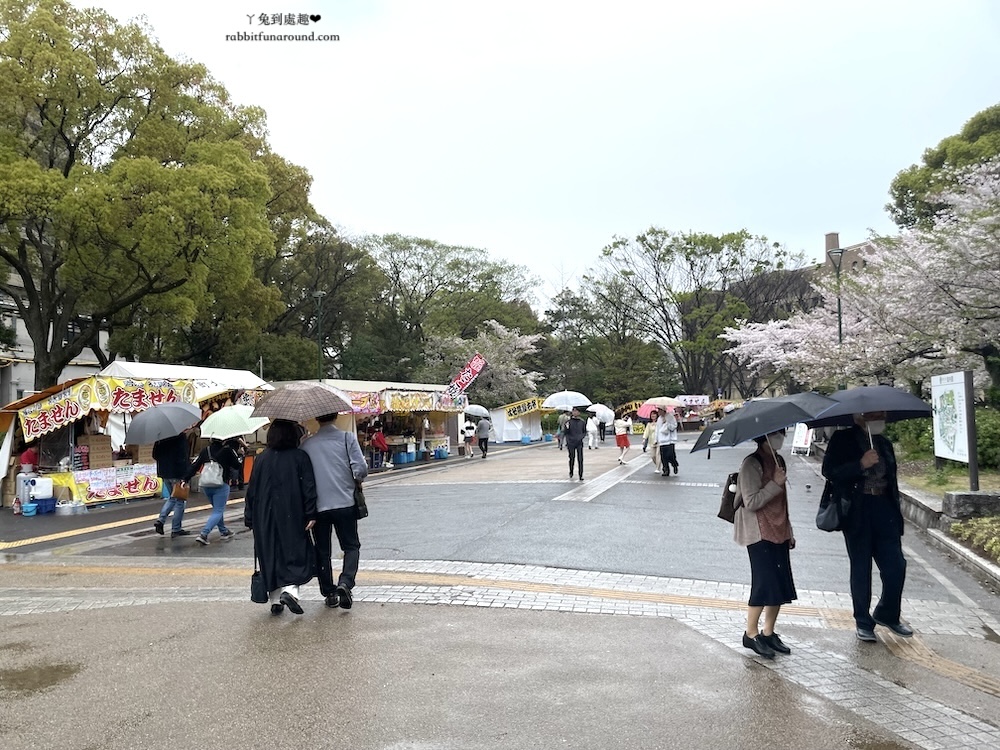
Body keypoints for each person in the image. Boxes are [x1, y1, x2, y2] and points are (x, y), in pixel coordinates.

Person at [822, 411, 913, 642]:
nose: (881, 417)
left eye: (883, 413)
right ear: (860, 416)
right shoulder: (842, 440)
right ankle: (863, 621)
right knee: (861, 568)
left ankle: (887, 613)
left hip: (884, 508)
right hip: (858, 511)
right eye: (876, 413)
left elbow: (892, 481)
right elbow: (830, 471)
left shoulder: (883, 443)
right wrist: (860, 464)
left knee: (896, 565)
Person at [244, 420, 318, 616]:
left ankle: (275, 599)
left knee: (270, 553)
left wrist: (249, 516)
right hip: (292, 512)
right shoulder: (300, 457)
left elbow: (251, 490)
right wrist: (311, 512)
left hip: (263, 515)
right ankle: (291, 590)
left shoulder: (261, 459)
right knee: (295, 551)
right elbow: (308, 487)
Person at [734, 429, 795, 659]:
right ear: (765, 437)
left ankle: (768, 632)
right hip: (758, 531)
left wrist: (789, 529)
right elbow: (751, 502)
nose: (781, 438)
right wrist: (775, 483)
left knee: (779, 583)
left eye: (783, 433)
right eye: (778, 434)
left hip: (779, 529)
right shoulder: (751, 464)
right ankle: (750, 634)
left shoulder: (778, 460)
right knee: (763, 582)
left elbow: (783, 501)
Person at [301, 413, 368, 610]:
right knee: (351, 546)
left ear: (317, 419)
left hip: (318, 507)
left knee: (322, 551)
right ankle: (345, 583)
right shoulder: (347, 438)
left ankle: (329, 593)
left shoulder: (306, 445)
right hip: (345, 502)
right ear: (336, 416)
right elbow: (360, 469)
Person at [182, 437, 242, 546]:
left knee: (216, 510)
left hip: (206, 485)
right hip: (221, 484)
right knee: (218, 511)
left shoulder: (206, 450)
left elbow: (195, 465)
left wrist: (185, 479)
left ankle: (224, 531)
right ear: (224, 440)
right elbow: (237, 466)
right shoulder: (227, 451)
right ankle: (204, 534)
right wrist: (240, 454)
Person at [152, 431, 193, 538]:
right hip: (178, 473)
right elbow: (183, 456)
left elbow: (154, 455)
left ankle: (161, 520)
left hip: (164, 472)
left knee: (173, 498)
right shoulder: (180, 437)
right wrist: (187, 473)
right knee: (180, 501)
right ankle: (176, 528)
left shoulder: (160, 437)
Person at [564, 407, 587, 481]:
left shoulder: (582, 422)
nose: (575, 412)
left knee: (580, 459)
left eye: (576, 411)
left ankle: (581, 474)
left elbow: (584, 432)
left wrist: (581, 437)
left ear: (579, 413)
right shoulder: (568, 422)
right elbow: (566, 433)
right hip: (571, 442)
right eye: (574, 411)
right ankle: (571, 471)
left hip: (579, 442)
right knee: (571, 458)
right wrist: (567, 428)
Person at [656, 409, 679, 476]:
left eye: (660, 410)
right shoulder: (659, 419)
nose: (658, 412)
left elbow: (674, 427)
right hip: (662, 441)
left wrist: (667, 423)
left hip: (670, 440)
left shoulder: (670, 417)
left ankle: (674, 464)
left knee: (670, 455)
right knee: (663, 457)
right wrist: (656, 439)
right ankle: (666, 469)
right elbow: (657, 430)